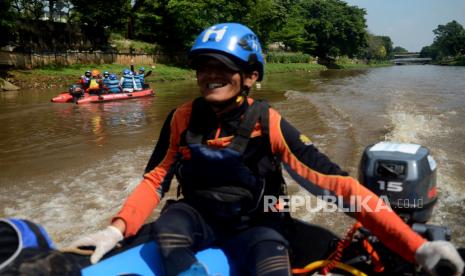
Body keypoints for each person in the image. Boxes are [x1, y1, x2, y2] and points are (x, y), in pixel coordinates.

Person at [68, 23, 464, 276]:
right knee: (172, 226)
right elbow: (155, 181)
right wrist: (114, 229)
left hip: (259, 223)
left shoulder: (268, 121)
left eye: (223, 67)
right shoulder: (181, 118)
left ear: (251, 76)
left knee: (272, 262)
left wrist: (416, 246)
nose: (210, 75)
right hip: (196, 218)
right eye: (204, 66)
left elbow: (338, 186)